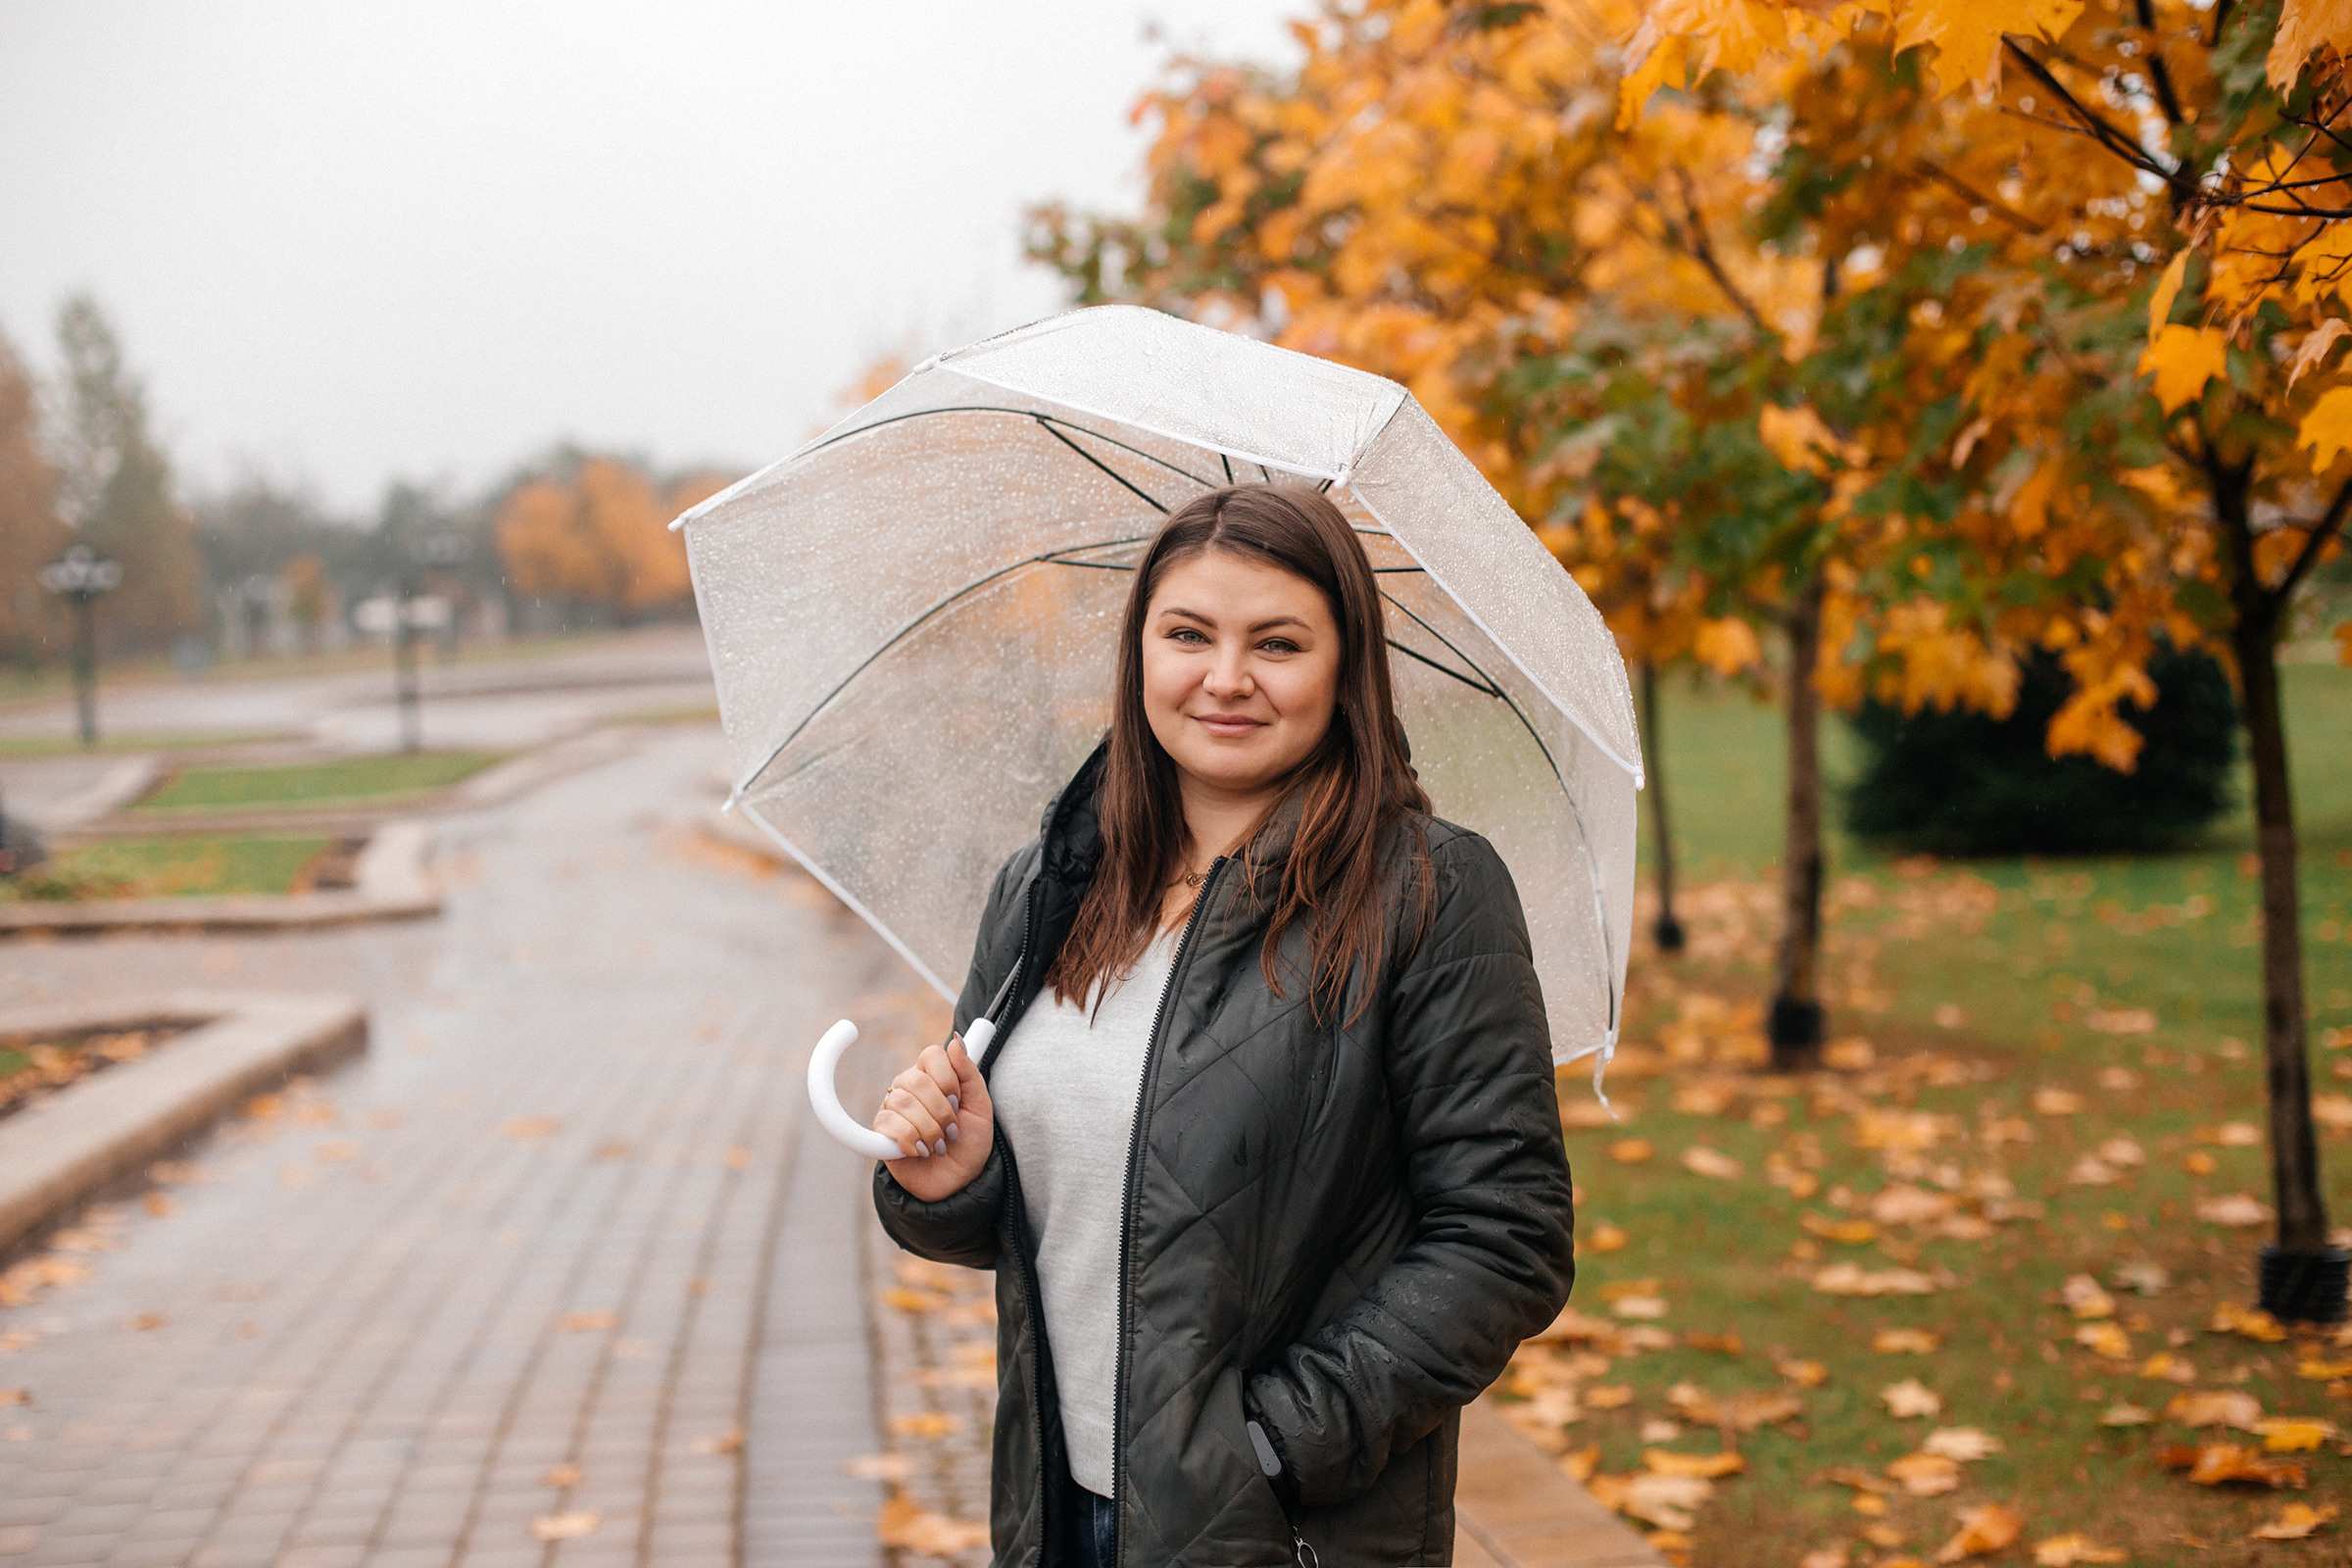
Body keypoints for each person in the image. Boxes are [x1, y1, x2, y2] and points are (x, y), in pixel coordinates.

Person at [867, 483, 1575, 1568]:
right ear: (1139, 651)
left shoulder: (1429, 892)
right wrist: (954, 1181)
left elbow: (1505, 1238)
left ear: (1345, 672)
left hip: (1278, 1528)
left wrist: (1269, 1447)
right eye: (1188, 633)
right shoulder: (1048, 887)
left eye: (1278, 642)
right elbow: (1072, 1220)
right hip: (1059, 1510)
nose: (1226, 677)